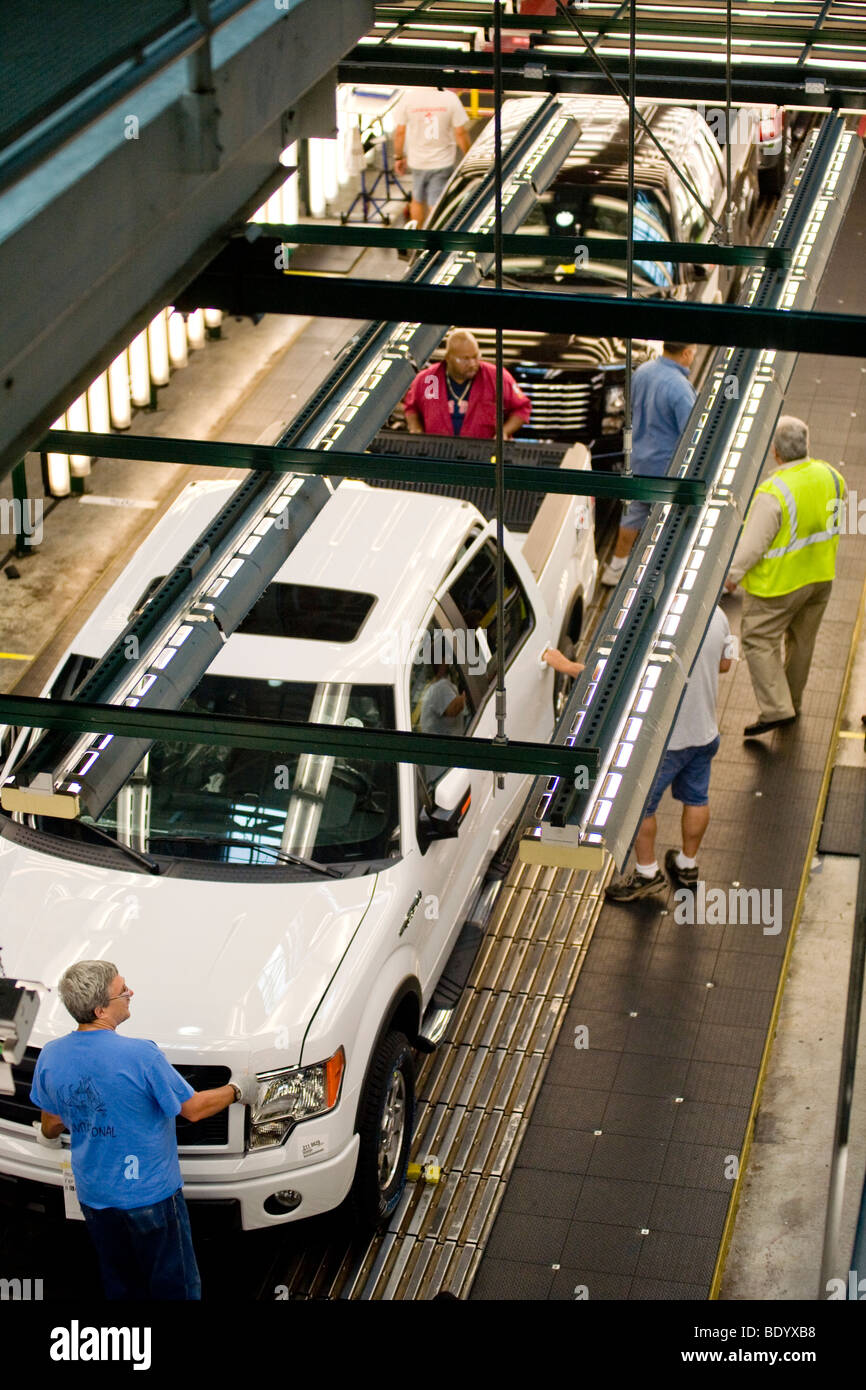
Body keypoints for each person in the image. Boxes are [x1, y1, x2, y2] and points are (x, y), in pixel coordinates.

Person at [30, 959, 254, 1300]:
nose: (130, 993)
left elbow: (49, 1126)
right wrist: (237, 1090)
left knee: (121, 1283)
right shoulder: (140, 1055)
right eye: (123, 990)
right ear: (101, 1008)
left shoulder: (50, 1055)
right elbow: (192, 1110)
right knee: (175, 1286)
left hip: (94, 1197)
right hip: (150, 1196)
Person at [724, 415, 845, 737]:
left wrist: (731, 576)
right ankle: (792, 701)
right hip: (820, 577)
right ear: (807, 444)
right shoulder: (832, 476)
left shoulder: (773, 492)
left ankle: (777, 709)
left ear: (775, 452)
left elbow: (753, 545)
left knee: (758, 639)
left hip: (776, 586)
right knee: (802, 641)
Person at [605, 605, 733, 900]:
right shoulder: (718, 614)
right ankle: (687, 865)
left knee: (637, 807)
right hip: (704, 732)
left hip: (665, 743)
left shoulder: (655, 623)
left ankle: (647, 873)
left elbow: (618, 675)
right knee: (697, 798)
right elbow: (725, 664)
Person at [600, 343, 698, 586]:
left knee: (632, 516)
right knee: (669, 523)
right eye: (694, 352)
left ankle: (616, 567)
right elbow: (692, 432)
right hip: (665, 469)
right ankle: (662, 575)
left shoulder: (641, 372)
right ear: (685, 353)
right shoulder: (680, 388)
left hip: (637, 460)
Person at [403, 329, 532, 440]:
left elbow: (522, 408)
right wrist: (416, 430)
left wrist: (503, 432)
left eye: (475, 357)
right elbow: (411, 407)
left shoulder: (496, 377)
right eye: (465, 359)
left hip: (482, 453)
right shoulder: (428, 379)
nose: (472, 364)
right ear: (448, 358)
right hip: (436, 451)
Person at [393, 86, 471, 226]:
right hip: (442, 161)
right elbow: (460, 133)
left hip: (417, 161)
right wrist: (468, 155)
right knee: (436, 201)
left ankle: (416, 236)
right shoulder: (450, 98)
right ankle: (436, 235)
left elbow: (400, 132)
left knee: (417, 199)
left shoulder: (408, 98)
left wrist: (398, 157)